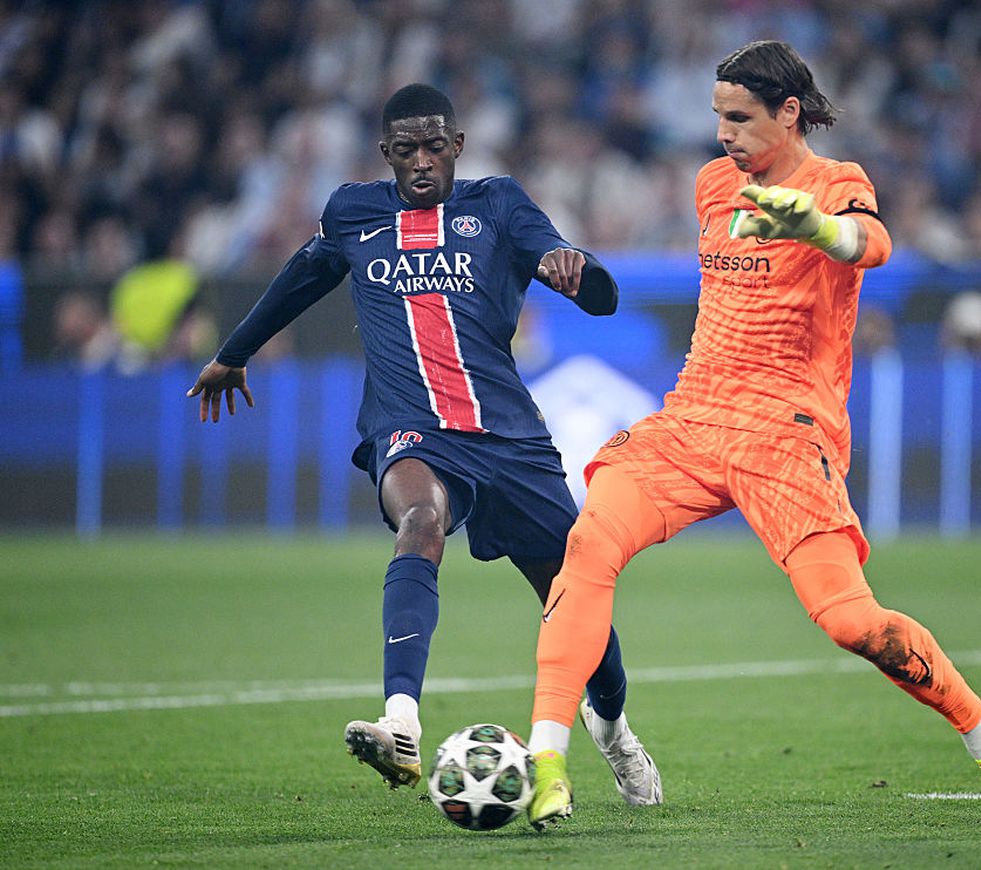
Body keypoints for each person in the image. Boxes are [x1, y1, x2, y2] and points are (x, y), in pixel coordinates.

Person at [524, 41, 981, 829]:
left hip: (786, 432)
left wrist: (818, 229)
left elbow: (872, 244)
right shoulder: (712, 186)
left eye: (739, 119)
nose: (724, 134)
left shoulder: (837, 185)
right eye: (717, 118)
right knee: (588, 542)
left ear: (788, 112)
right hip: (694, 418)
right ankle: (547, 763)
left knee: (852, 623)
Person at [187, 84, 661, 806]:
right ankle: (400, 721)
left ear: (457, 146)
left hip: (509, 438)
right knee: (420, 522)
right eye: (404, 149)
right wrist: (235, 351)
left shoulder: (498, 204)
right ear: (385, 155)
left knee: (573, 594)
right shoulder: (354, 213)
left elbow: (593, 289)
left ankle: (615, 731)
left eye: (433, 145)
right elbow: (304, 276)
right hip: (411, 429)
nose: (420, 161)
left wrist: (577, 268)